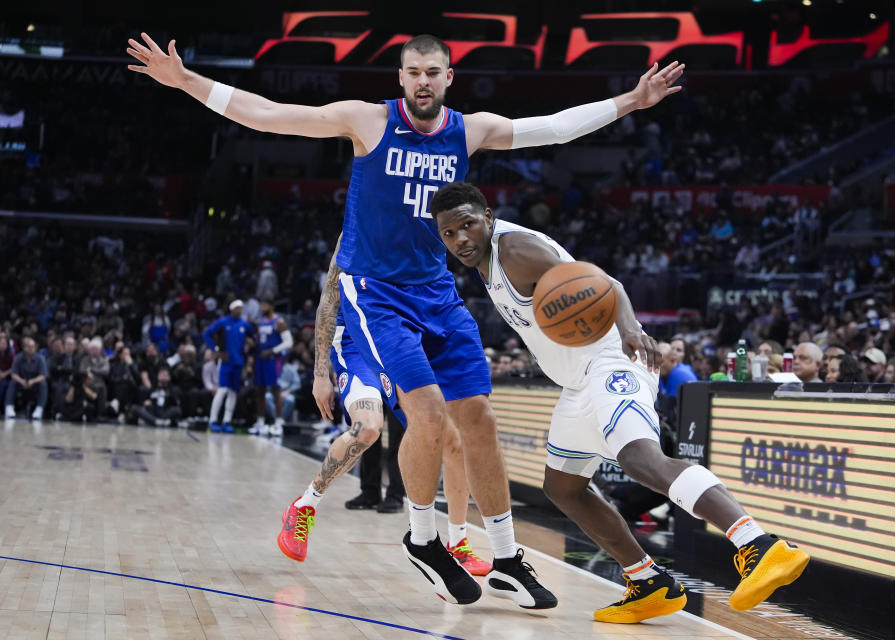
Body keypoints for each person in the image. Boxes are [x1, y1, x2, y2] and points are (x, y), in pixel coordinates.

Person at [127, 30, 683, 607]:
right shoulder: (366, 120)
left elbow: (550, 127)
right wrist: (188, 81)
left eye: (433, 71)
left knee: (480, 421)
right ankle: (423, 539)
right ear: (401, 78)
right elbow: (269, 115)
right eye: (413, 71)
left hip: (438, 292)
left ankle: (508, 556)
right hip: (377, 292)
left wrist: (629, 102)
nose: (423, 80)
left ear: (448, 78)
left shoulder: (468, 130)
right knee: (428, 414)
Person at [432, 182, 809, 621]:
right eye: (449, 233)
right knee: (563, 487)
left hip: (612, 361)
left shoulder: (515, 249)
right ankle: (649, 582)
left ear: (488, 218)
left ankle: (760, 546)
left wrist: (630, 329)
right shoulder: (485, 258)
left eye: (467, 225)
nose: (460, 239)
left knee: (640, 459)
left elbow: (603, 283)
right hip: (579, 382)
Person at [277, 247, 491, 578]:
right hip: (353, 341)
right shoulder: (355, 232)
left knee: (452, 440)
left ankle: (458, 543)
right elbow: (328, 302)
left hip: (397, 334)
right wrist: (321, 373)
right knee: (368, 427)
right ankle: (305, 505)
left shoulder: (415, 227)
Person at [202, 300, 255, 433]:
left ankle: (227, 421)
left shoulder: (245, 324)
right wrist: (215, 349)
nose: (240, 310)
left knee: (233, 392)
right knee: (222, 390)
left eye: (241, 308)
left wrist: (249, 347)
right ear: (231, 309)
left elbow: (253, 336)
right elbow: (206, 334)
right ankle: (213, 420)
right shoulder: (223, 322)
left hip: (239, 363)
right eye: (237, 308)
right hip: (225, 362)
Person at [250, 299, 293, 436]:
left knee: (275, 391)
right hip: (261, 360)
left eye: (264, 305)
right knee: (259, 391)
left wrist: (272, 351)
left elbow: (289, 342)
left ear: (271, 306)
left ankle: (278, 423)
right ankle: (260, 422)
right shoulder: (261, 322)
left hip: (273, 360)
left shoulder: (279, 322)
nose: (262, 307)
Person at [4, 337, 49, 420]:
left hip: (34, 383)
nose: (31, 348)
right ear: (24, 348)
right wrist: (22, 381)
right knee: (12, 383)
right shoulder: (18, 358)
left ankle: (39, 409)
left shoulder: (40, 358)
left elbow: (43, 375)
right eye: (28, 346)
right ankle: (9, 407)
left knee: (43, 384)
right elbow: (14, 374)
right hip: (21, 383)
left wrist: (33, 381)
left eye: (33, 346)